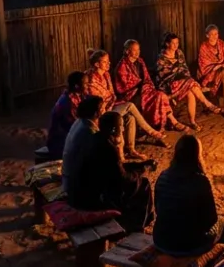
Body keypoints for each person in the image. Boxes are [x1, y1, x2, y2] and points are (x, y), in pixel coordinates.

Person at [62, 99, 157, 232]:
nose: (123, 129)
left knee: (135, 183)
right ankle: (135, 226)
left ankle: (130, 221)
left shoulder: (94, 134)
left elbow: (114, 167)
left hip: (79, 186)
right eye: (121, 126)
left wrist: (140, 165)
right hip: (86, 196)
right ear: (114, 129)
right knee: (143, 184)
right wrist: (142, 170)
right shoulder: (103, 143)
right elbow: (121, 177)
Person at [153, 135, 224, 256]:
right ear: (197, 155)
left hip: (162, 240)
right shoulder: (200, 181)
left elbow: (157, 208)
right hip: (190, 245)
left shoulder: (163, 176)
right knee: (223, 222)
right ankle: (220, 264)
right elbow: (212, 219)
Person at [84, 48, 167, 156]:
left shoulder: (106, 75)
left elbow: (111, 94)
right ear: (96, 64)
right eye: (104, 62)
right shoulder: (91, 80)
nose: (108, 63)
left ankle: (131, 149)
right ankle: (151, 132)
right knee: (130, 105)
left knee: (130, 118)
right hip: (101, 113)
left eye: (108, 61)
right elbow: (98, 102)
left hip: (111, 105)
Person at [115, 39, 187, 133]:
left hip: (144, 90)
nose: (137, 52)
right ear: (127, 51)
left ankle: (170, 122)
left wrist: (146, 86)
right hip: (132, 95)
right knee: (159, 97)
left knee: (161, 96)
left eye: (138, 50)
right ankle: (163, 124)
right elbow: (124, 86)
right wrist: (142, 85)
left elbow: (147, 79)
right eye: (134, 50)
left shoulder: (140, 61)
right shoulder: (122, 66)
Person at [157, 32, 224, 127]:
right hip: (169, 85)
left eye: (177, 43)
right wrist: (177, 72)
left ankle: (192, 122)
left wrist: (183, 75)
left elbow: (184, 69)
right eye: (173, 43)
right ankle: (208, 105)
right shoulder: (161, 58)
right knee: (191, 83)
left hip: (184, 82)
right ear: (167, 44)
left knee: (191, 93)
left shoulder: (179, 53)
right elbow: (163, 76)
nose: (176, 45)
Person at [45, 71, 84, 160]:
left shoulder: (76, 96)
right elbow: (73, 127)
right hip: (60, 142)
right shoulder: (67, 102)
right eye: (85, 83)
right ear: (77, 86)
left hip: (68, 136)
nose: (88, 85)